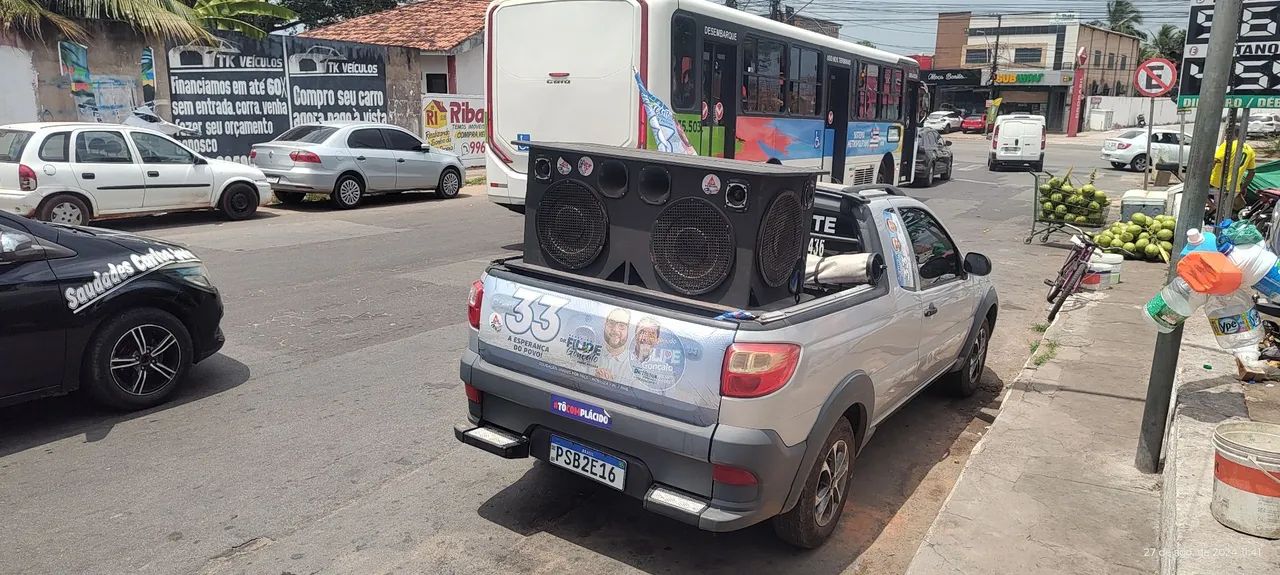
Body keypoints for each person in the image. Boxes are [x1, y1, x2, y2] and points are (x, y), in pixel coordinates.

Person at [1211, 126, 1257, 215]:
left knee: (1217, 208)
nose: (1226, 137)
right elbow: (1252, 172)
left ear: (1233, 134)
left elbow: (1215, 161)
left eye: (1228, 134)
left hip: (1217, 184)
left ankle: (1213, 209)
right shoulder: (1250, 150)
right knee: (1226, 210)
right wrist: (1244, 186)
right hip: (1235, 187)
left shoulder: (1228, 145)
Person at [595, 308, 630, 381]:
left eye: (622, 325)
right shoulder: (590, 353)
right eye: (611, 323)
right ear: (605, 326)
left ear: (628, 330)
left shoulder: (633, 365)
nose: (615, 330)